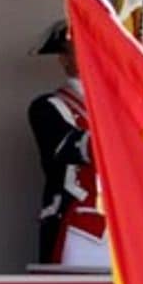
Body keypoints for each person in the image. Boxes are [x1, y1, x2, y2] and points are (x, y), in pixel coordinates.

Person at [27, 19, 109, 267]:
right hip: (78, 226)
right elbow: (72, 147)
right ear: (63, 58)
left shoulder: (120, 108)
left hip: (125, 227)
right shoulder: (48, 107)